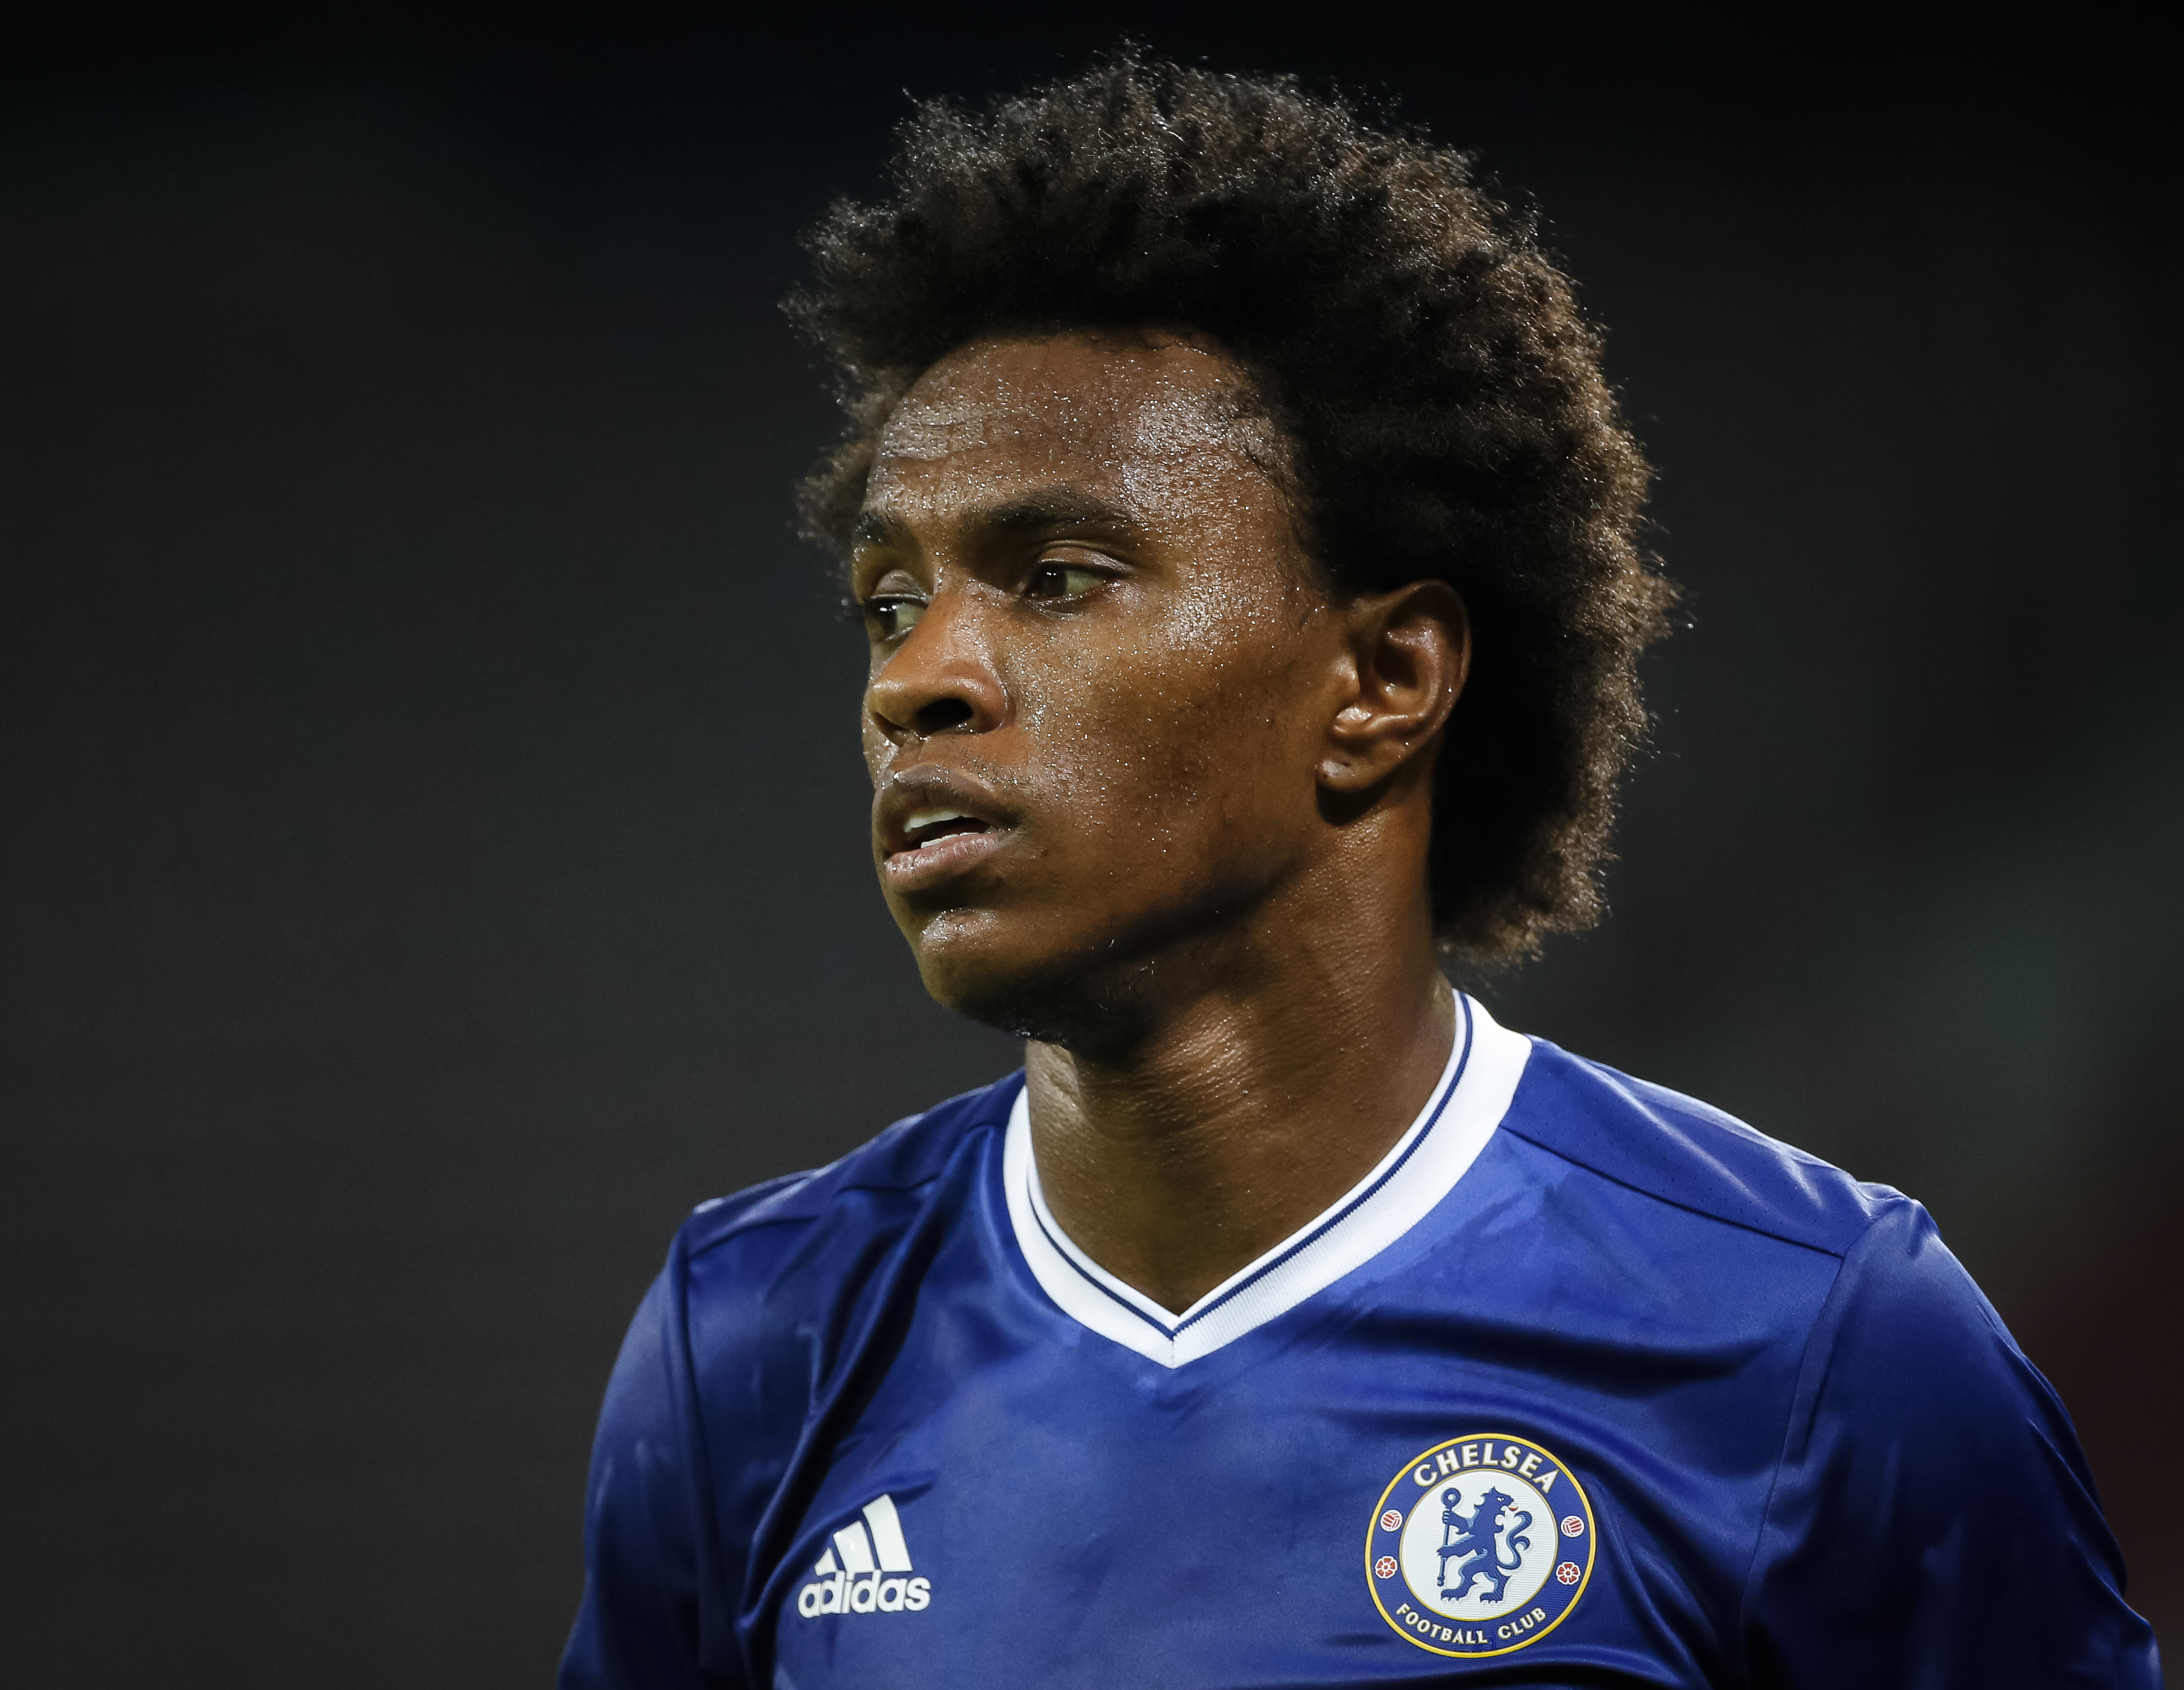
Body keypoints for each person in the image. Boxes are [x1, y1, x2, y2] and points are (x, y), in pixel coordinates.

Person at [559, 52, 2161, 1688]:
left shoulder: (1820, 1345)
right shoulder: (748, 1344)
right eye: (891, 604)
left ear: (1384, 682)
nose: (919, 680)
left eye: (1059, 576)